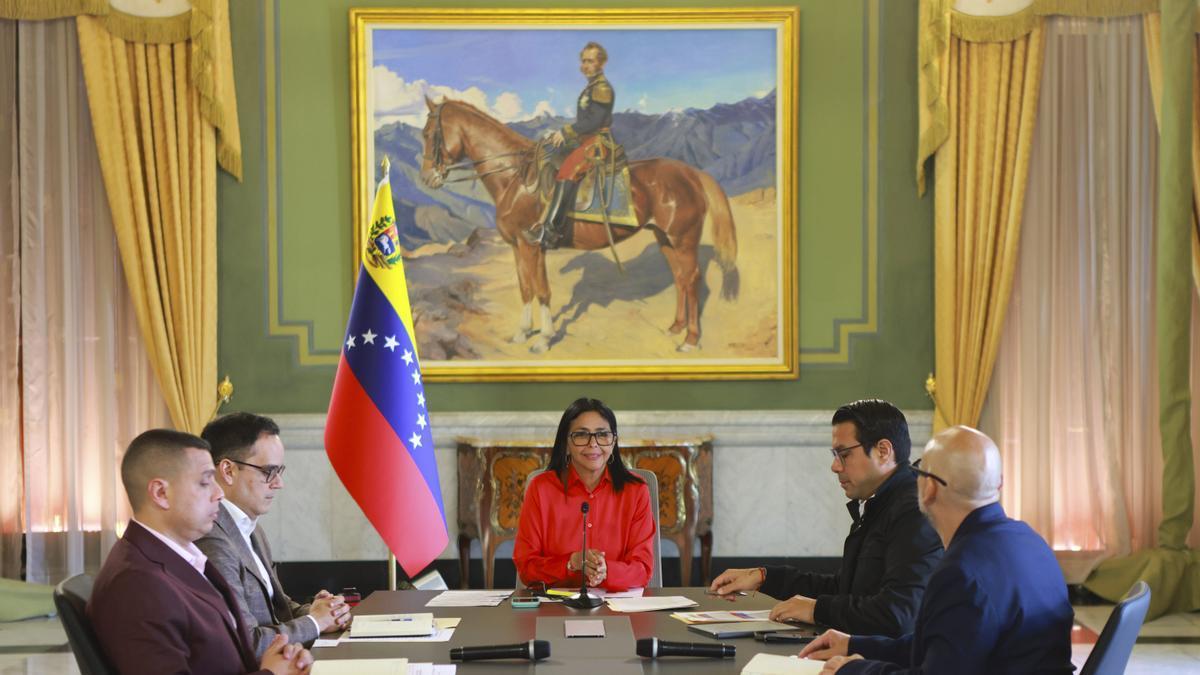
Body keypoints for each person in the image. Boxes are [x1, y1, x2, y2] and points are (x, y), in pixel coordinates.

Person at [799, 426, 1075, 674]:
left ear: (929, 487)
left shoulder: (961, 573)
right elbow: (943, 644)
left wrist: (855, 671)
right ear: (998, 483)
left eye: (918, 471)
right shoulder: (1031, 542)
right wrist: (855, 645)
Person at [709, 399, 943, 637]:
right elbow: (844, 590)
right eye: (835, 454)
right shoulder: (880, 502)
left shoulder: (915, 511)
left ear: (883, 451)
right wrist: (764, 577)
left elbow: (898, 615)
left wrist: (816, 610)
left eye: (844, 454)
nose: (835, 466)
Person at [88, 429, 312, 675]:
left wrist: (278, 658)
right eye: (205, 482)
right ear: (161, 493)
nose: (218, 493)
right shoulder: (137, 584)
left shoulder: (180, 556)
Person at [196, 413, 350, 657]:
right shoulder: (212, 539)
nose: (278, 483)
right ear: (228, 470)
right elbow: (249, 643)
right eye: (269, 471)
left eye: (280, 471)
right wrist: (315, 622)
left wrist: (321, 612)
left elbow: (276, 606)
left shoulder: (252, 527)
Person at [514, 397, 655, 590]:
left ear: (613, 442)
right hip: (555, 604)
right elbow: (526, 568)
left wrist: (607, 571)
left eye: (602, 434)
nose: (593, 443)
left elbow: (643, 569)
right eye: (581, 435)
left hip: (618, 604)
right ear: (566, 443)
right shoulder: (541, 489)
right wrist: (570, 563)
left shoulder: (636, 491)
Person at [525, 41, 617, 249]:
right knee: (550, 158)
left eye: (590, 61)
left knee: (568, 170)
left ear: (601, 63)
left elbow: (595, 122)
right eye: (583, 61)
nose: (585, 66)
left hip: (597, 142)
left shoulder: (602, 89)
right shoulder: (592, 87)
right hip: (584, 139)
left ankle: (551, 232)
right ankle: (544, 215)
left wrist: (566, 132)